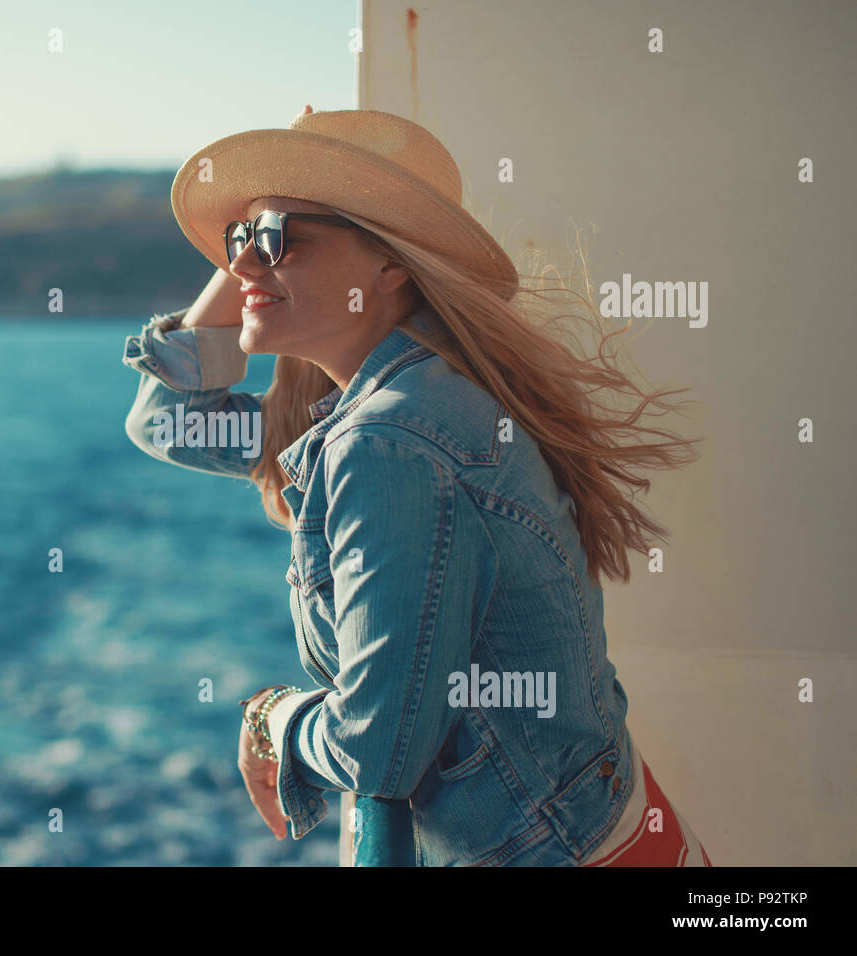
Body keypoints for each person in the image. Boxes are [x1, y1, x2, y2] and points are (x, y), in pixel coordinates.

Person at [121, 106, 711, 866]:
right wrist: (262, 242)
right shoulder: (416, 392)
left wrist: (275, 718)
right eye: (237, 242)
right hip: (617, 828)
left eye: (278, 238)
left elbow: (379, 749)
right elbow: (170, 419)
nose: (241, 266)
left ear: (391, 264)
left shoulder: (389, 442)